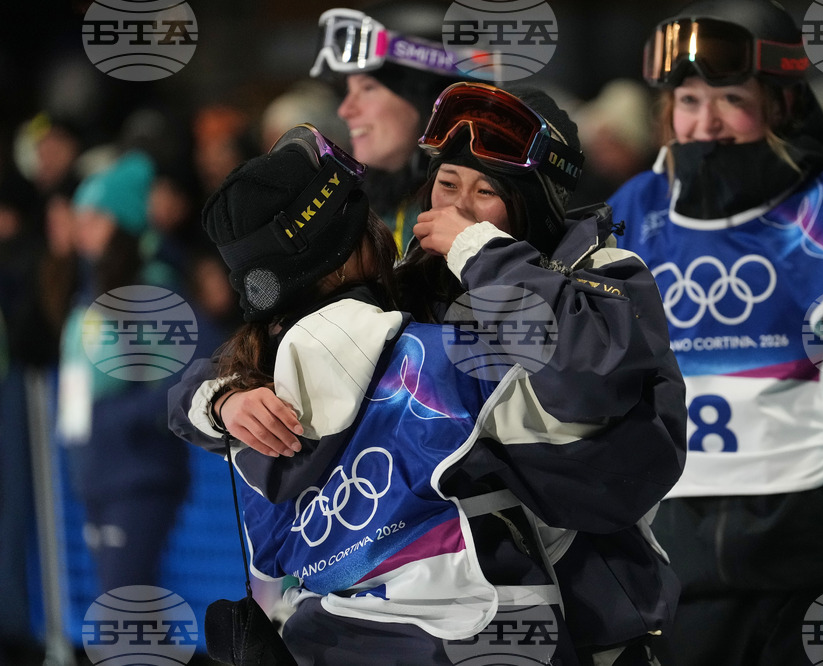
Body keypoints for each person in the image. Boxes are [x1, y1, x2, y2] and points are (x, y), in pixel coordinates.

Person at [168, 84, 688, 665]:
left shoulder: (601, 276)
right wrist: (221, 402)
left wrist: (481, 253)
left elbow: (595, 393)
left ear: (532, 204)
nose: (460, 210)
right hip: (459, 626)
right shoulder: (416, 286)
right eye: (446, 184)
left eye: (486, 191)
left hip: (595, 623)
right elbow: (242, 362)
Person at [607, 0, 823, 663]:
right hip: (672, 552)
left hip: (802, 548)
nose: (707, 123)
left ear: (780, 103)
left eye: (731, 97)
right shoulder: (634, 209)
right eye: (689, 98)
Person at [57, 150, 191, 593]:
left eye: (95, 217)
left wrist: (116, 419)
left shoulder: (151, 287)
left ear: (122, 223)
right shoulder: (93, 286)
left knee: (125, 606)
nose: (83, 229)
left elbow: (187, 374)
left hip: (138, 473)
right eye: (81, 217)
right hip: (97, 472)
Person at [310, 2, 472, 253]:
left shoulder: (475, 215)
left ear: (434, 100)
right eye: (348, 91)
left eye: (367, 88)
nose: (345, 110)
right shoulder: (373, 203)